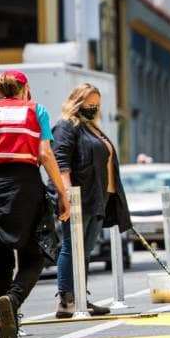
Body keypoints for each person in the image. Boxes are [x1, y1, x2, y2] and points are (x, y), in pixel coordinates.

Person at [0, 71, 69, 338]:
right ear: (25, 88)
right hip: (23, 184)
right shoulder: (36, 110)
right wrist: (62, 192)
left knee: (1, 256)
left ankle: (5, 326)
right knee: (36, 253)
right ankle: (14, 298)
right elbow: (44, 153)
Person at [52, 83, 131, 318]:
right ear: (76, 103)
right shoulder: (67, 125)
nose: (93, 108)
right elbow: (61, 160)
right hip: (79, 197)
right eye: (88, 104)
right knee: (71, 247)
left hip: (98, 196)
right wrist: (66, 196)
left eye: (96, 104)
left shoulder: (92, 128)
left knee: (84, 250)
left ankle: (80, 298)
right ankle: (67, 300)